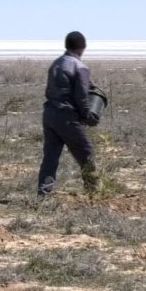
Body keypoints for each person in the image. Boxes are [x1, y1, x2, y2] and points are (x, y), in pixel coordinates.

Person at [36, 31, 99, 197]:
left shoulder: (56, 64)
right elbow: (81, 96)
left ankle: (43, 194)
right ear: (82, 48)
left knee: (51, 156)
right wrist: (87, 115)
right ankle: (94, 191)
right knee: (86, 152)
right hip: (67, 117)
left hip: (49, 114)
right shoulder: (80, 66)